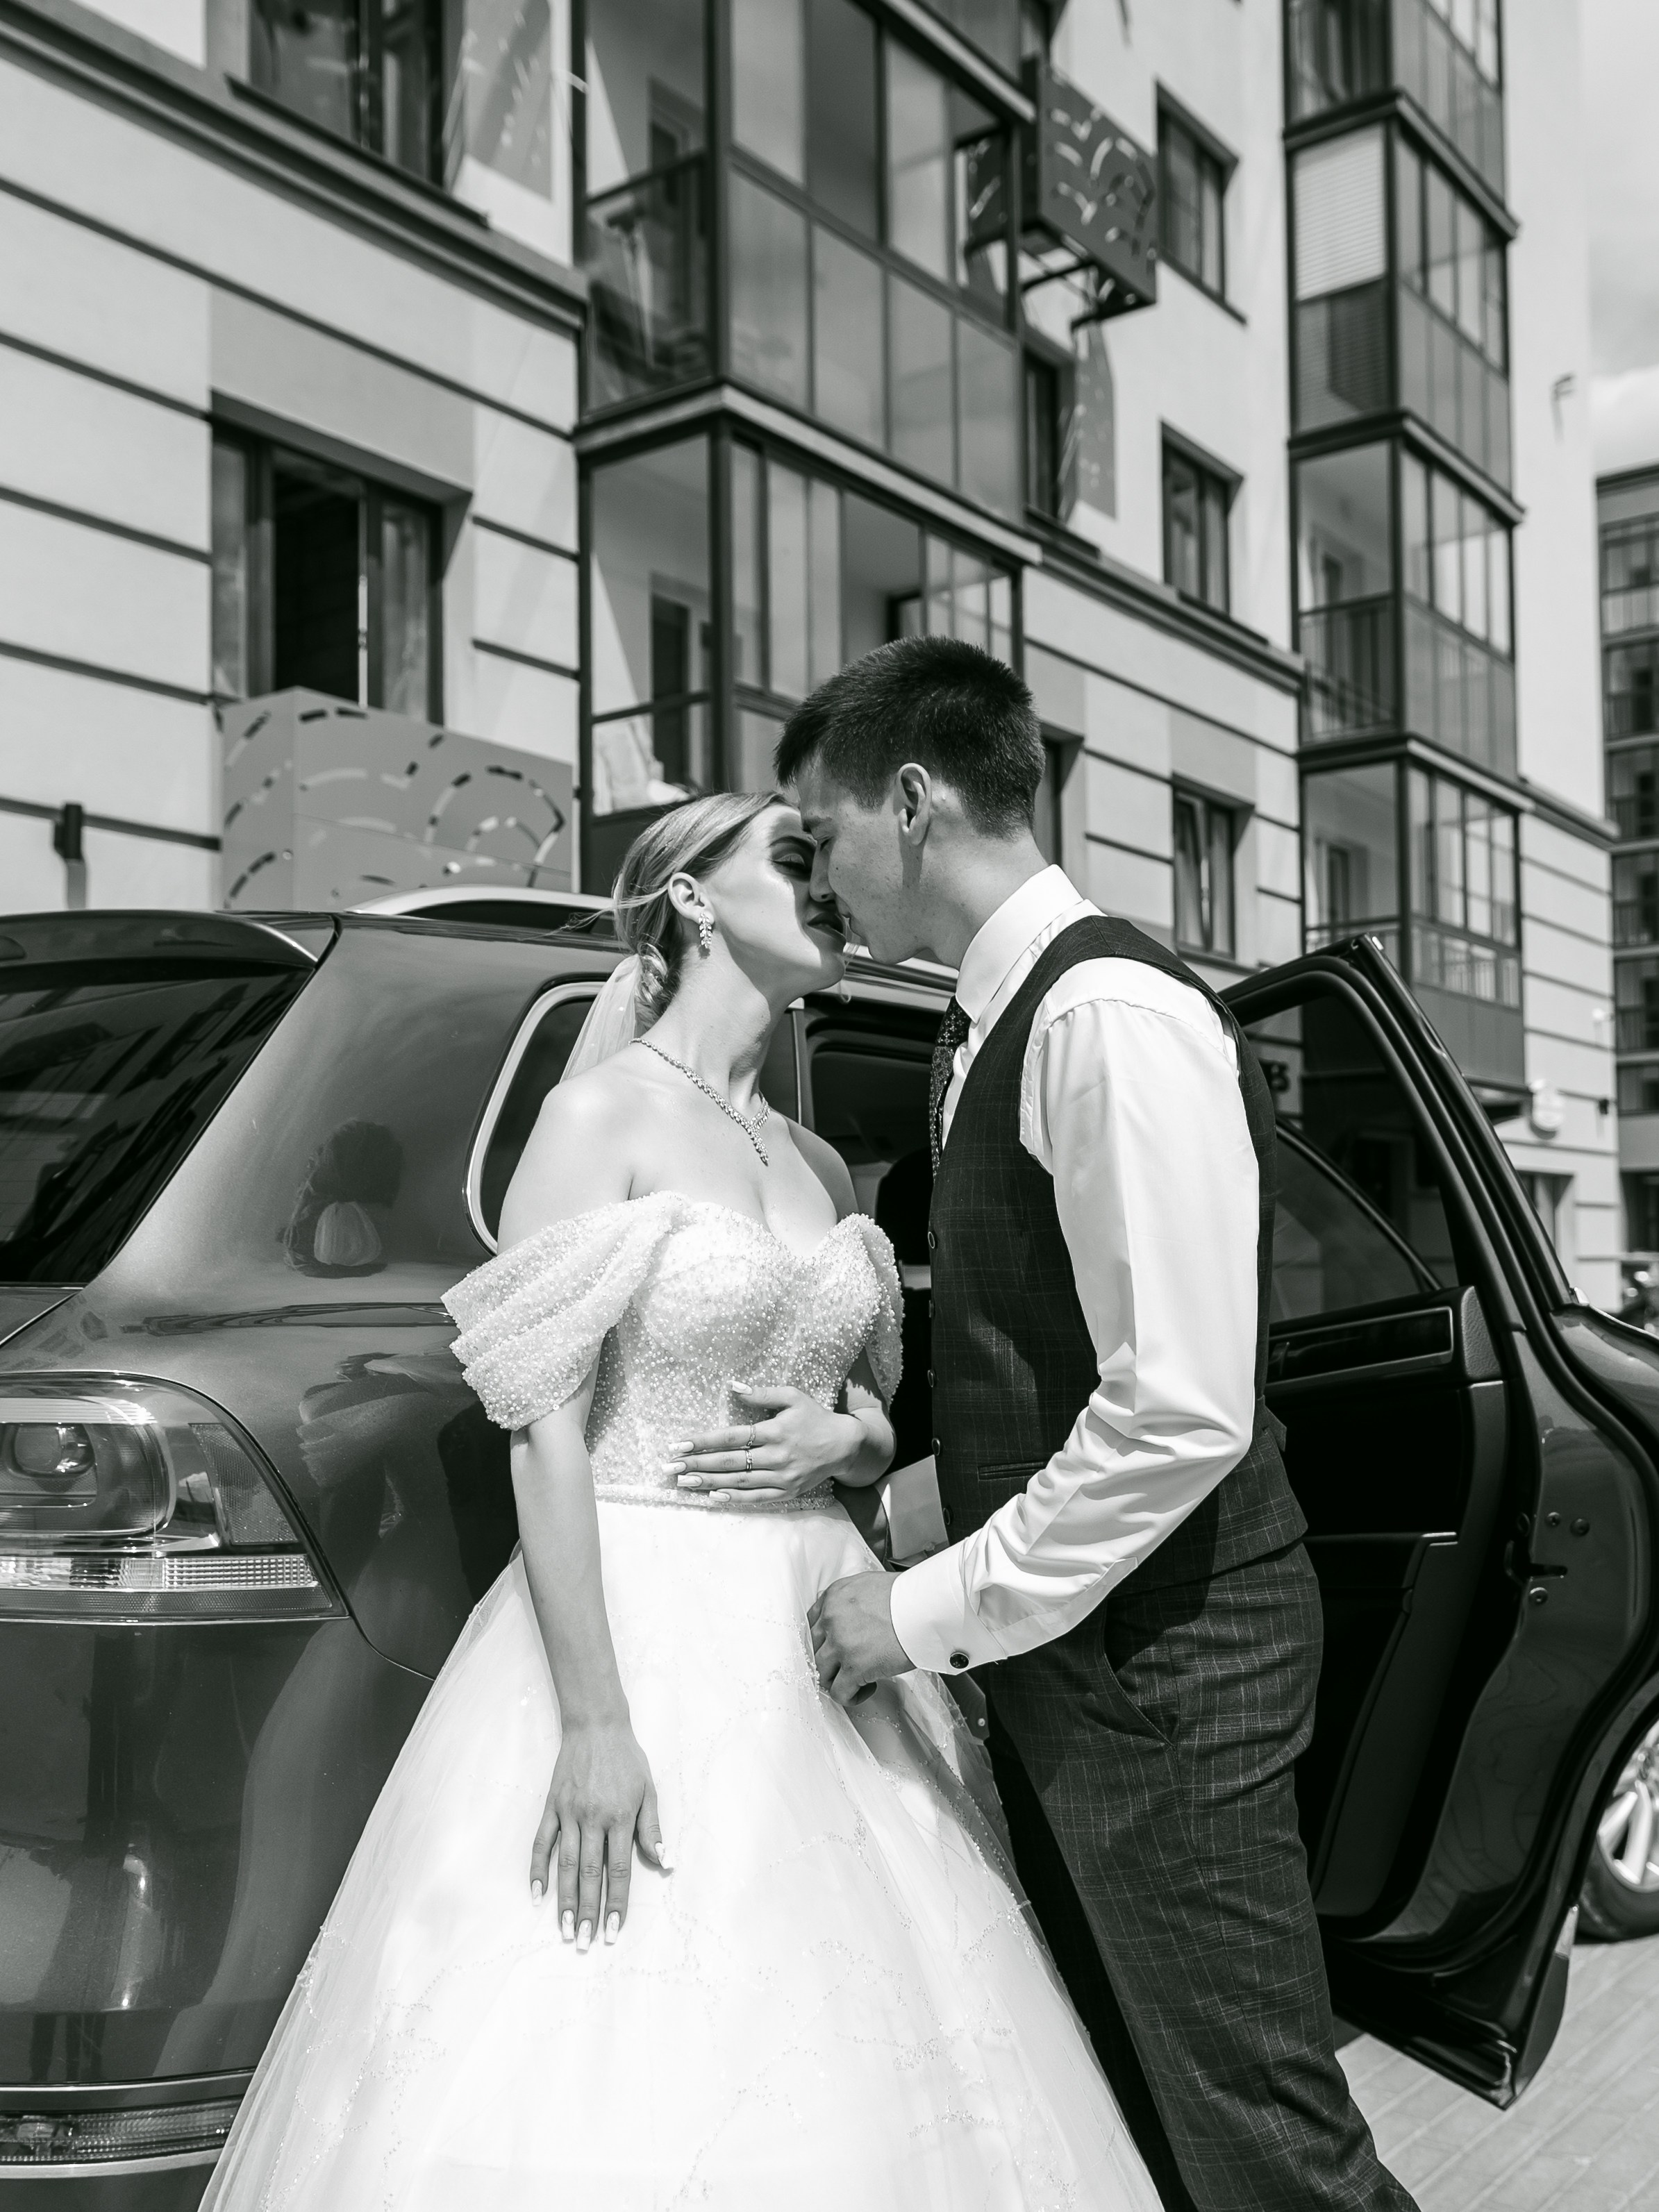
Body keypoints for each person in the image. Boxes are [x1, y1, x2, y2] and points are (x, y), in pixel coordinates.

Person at [200, 789, 1160, 2211]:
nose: (827, 880)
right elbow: (542, 1433)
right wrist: (592, 1722)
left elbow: (874, 1413)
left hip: (829, 1639)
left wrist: (848, 1443)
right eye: (791, 858)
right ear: (694, 900)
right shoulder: (601, 1116)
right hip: (639, 1624)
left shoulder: (818, 1161)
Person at [793, 639, 1416, 2212]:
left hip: (1167, 1679)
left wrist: (913, 1612)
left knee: (1262, 2151)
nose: (820, 880)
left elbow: (1175, 1411)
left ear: (917, 802)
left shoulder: (1105, 1018)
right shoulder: (987, 1019)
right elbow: (1045, 1371)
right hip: (1076, 1654)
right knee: (1156, 2129)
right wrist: (898, 1496)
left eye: (827, 831)